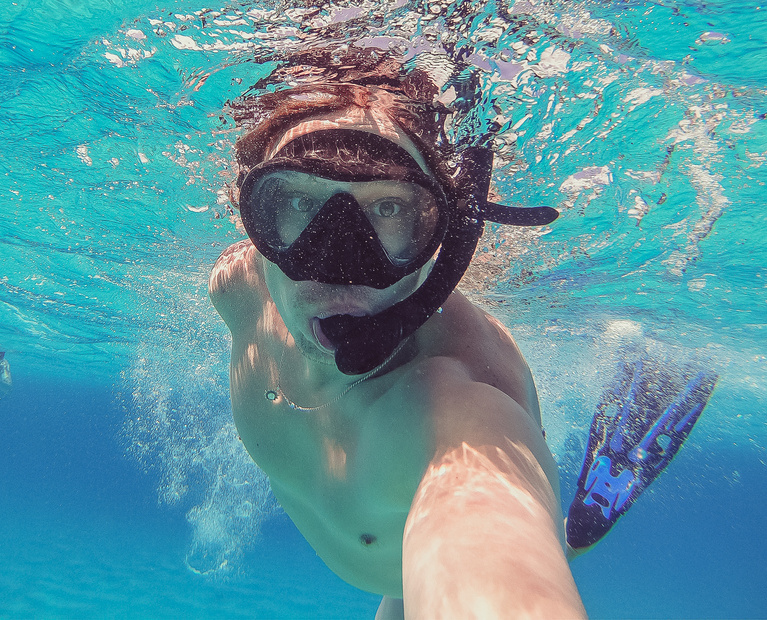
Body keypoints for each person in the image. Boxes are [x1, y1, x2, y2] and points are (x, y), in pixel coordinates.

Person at [209, 53, 714, 618]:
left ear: (442, 239)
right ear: (252, 217)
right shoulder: (238, 290)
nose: (339, 263)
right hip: (405, 567)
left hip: (429, 552)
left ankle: (582, 521)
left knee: (542, 547)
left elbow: (483, 516)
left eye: (389, 210)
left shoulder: (458, 409)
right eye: (299, 203)